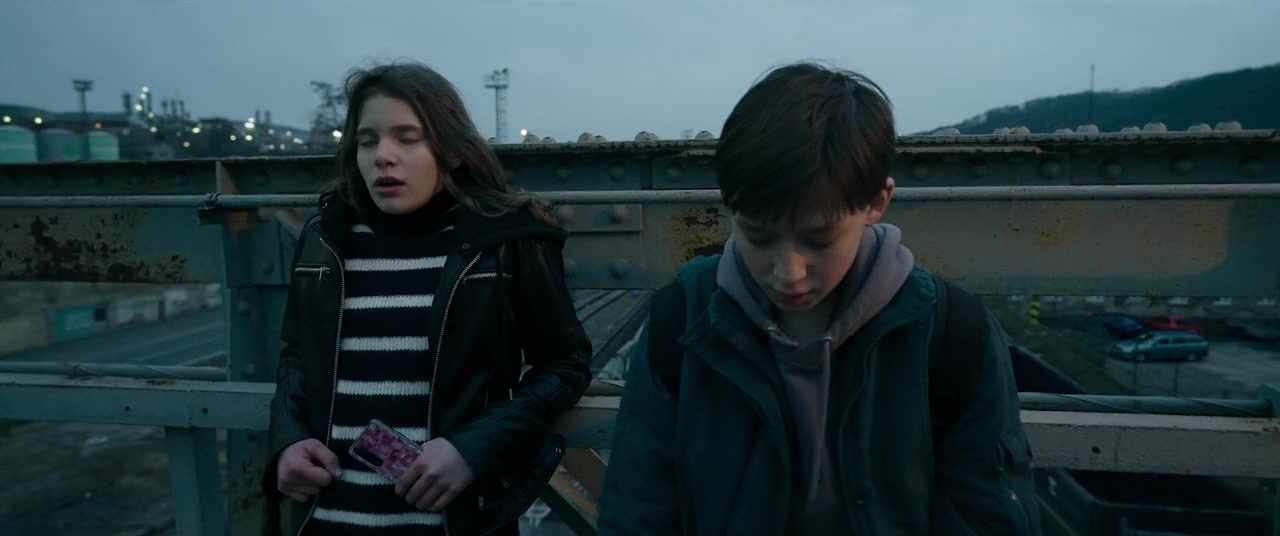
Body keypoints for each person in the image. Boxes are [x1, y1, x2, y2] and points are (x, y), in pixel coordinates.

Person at [597, 62, 1041, 535]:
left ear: (877, 202)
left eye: (819, 240)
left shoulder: (954, 334)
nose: (788, 272)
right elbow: (638, 511)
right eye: (758, 237)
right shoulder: (681, 319)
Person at [262, 61, 592, 536]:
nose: (383, 156)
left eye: (407, 138)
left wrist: (472, 449)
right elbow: (297, 355)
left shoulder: (506, 241)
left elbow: (566, 365)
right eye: (367, 141)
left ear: (452, 151)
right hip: (326, 519)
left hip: (453, 522)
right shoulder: (325, 239)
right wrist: (289, 442)